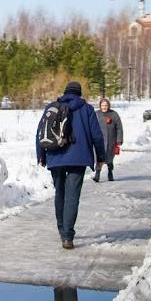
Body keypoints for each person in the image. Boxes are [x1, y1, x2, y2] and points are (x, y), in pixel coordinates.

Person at [35, 81, 106, 250]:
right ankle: (67, 236)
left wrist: (41, 155)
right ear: (79, 94)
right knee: (72, 196)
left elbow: (40, 131)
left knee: (60, 193)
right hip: (78, 158)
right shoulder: (87, 109)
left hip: (55, 156)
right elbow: (96, 135)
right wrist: (101, 157)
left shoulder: (52, 107)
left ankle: (62, 230)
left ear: (65, 92)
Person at [94, 98, 123, 182]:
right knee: (98, 158)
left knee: (110, 159)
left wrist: (119, 140)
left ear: (108, 106)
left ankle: (110, 172)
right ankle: (97, 174)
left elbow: (119, 128)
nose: (104, 107)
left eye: (106, 105)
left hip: (111, 141)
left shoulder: (114, 114)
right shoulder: (96, 114)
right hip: (100, 141)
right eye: (102, 105)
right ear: (100, 106)